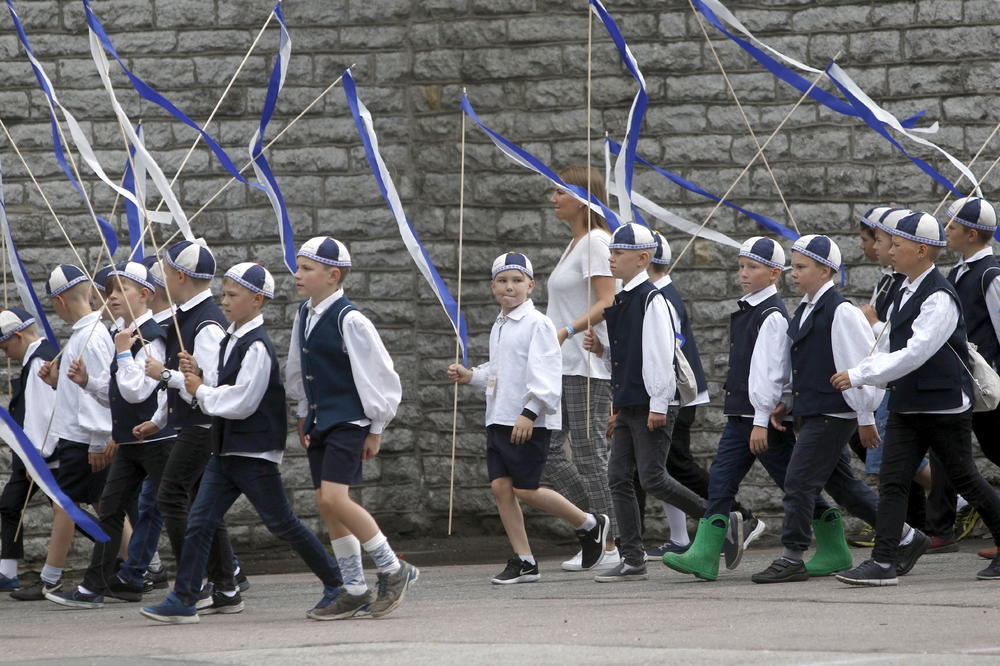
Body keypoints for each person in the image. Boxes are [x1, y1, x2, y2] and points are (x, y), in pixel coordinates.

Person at [141, 263, 347, 623]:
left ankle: (338, 585)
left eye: (233, 296)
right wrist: (197, 378)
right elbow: (217, 389)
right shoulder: (231, 339)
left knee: (282, 523)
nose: (225, 301)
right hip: (226, 449)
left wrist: (198, 387)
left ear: (257, 300)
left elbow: (242, 401)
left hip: (253, 452)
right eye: (224, 294)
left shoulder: (257, 346)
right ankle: (185, 597)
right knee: (200, 521)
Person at [833, 212, 1000, 585]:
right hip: (909, 403)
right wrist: (865, 384)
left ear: (921, 250)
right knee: (892, 481)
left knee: (966, 479)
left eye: (897, 245)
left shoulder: (939, 296)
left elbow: (915, 352)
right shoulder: (904, 290)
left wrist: (859, 375)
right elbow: (887, 344)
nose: (889, 251)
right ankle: (884, 561)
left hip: (943, 406)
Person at [751, 235, 924, 583]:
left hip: (835, 413)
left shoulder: (841, 311)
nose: (793, 273)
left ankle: (792, 555)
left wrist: (865, 415)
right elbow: (800, 362)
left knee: (798, 480)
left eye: (801, 267)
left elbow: (860, 365)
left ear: (826, 269)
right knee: (844, 487)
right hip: (814, 409)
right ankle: (906, 535)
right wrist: (787, 399)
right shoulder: (804, 308)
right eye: (793, 267)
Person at [663, 237, 824, 581]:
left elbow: (769, 372)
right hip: (743, 415)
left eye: (753, 267)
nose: (744, 274)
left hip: (758, 418)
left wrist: (762, 420)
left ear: (774, 274)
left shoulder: (771, 316)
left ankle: (832, 541)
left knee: (793, 482)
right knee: (721, 481)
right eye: (741, 266)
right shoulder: (749, 308)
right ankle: (705, 555)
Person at [449, 252, 610, 584]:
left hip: (526, 422)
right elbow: (500, 370)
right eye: (503, 281)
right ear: (493, 286)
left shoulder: (538, 323)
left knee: (526, 489)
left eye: (517, 281)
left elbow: (547, 374)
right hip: (499, 417)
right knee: (500, 487)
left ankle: (590, 524)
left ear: (531, 286)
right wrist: (471, 376)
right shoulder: (501, 323)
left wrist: (529, 412)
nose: (510, 287)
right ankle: (524, 560)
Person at [286, 236, 417, 618]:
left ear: (333, 275)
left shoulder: (351, 319)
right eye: (299, 267)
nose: (298, 274)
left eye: (307, 269)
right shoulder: (304, 314)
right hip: (320, 421)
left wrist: (376, 427)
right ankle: (355, 586)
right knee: (325, 505)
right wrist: (302, 412)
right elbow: (299, 367)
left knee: (333, 498)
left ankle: (394, 568)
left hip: (350, 420)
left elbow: (380, 376)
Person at [582, 223, 707, 582]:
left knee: (652, 476)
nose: (611, 258)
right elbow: (628, 357)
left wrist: (658, 403)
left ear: (642, 258)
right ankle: (633, 556)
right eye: (611, 252)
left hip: (651, 404)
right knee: (618, 476)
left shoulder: (653, 300)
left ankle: (717, 518)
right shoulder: (622, 300)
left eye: (618, 253)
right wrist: (603, 351)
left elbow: (659, 356)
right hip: (629, 403)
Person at [48, 262, 174, 609]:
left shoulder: (150, 335)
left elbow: (137, 392)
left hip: (155, 441)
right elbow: (116, 391)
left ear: (145, 295)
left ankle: (222, 576)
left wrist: (121, 350)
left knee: (179, 510)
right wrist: (87, 381)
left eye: (120, 291)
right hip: (132, 441)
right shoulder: (124, 333)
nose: (111, 298)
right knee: (112, 511)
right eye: (109, 291)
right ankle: (96, 585)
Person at [546, 167, 619, 571]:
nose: (552, 198)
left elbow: (608, 301)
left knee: (590, 452)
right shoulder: (575, 244)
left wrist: (568, 330)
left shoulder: (595, 241)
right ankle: (596, 528)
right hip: (563, 364)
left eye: (560, 192)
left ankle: (614, 545)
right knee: (548, 450)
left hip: (585, 365)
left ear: (583, 198)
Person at [0, 309, 57, 591]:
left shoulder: (38, 361)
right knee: (11, 504)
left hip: (40, 453)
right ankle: (8, 571)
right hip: (34, 453)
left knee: (70, 512)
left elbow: (44, 413)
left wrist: (37, 458)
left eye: (6, 346)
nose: (6, 354)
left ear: (19, 336)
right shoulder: (36, 358)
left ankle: (126, 561)